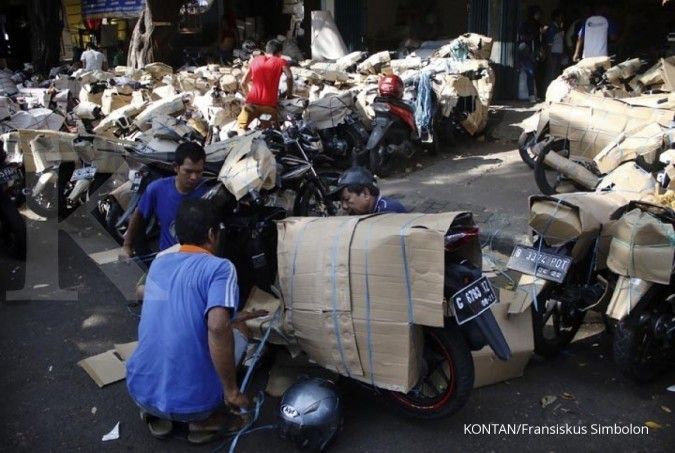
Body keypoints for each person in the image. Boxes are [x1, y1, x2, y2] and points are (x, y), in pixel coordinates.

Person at [126, 199, 267, 444]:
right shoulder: (220, 268)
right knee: (240, 330)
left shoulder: (160, 262)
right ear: (213, 233)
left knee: (224, 324)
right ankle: (203, 420)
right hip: (191, 406)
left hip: (140, 391)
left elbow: (175, 305)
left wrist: (237, 314)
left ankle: (159, 413)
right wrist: (232, 391)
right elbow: (216, 327)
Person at [121, 142, 210, 259]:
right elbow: (139, 215)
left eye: (198, 172)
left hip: (197, 260)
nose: (194, 177)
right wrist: (127, 245)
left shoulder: (209, 193)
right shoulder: (157, 189)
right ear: (176, 167)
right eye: (188, 171)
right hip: (167, 257)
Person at [236, 39, 293, 133]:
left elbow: (243, 83)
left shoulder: (255, 60)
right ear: (279, 52)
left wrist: (248, 97)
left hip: (250, 107)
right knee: (272, 133)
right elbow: (289, 76)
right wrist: (289, 95)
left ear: (266, 50)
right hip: (268, 109)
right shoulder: (281, 61)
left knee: (240, 129)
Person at [331, 166, 407, 215]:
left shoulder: (387, 211)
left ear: (365, 194)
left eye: (347, 199)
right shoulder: (367, 212)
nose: (344, 206)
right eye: (341, 201)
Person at [517, 6, 545, 102]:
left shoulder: (537, 25)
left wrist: (541, 50)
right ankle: (531, 96)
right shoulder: (525, 25)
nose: (539, 16)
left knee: (535, 73)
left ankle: (534, 95)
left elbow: (539, 40)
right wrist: (533, 36)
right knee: (530, 73)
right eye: (537, 14)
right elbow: (522, 37)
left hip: (535, 52)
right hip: (527, 52)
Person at [545, 9, 567, 87]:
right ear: (556, 17)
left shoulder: (558, 28)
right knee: (551, 74)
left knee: (556, 74)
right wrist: (549, 56)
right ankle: (547, 91)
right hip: (553, 54)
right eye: (560, 17)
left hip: (558, 54)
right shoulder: (552, 28)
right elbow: (549, 44)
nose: (562, 18)